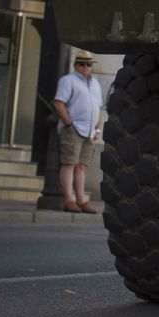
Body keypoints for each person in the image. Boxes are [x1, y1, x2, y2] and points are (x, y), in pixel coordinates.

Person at [51, 50, 105, 213]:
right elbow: (59, 102)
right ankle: (69, 199)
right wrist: (68, 124)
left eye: (88, 64)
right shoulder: (68, 81)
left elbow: (99, 107)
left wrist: (97, 128)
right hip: (74, 128)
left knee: (81, 166)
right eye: (82, 64)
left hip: (89, 131)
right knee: (69, 163)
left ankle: (81, 200)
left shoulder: (95, 83)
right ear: (75, 65)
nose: (85, 67)